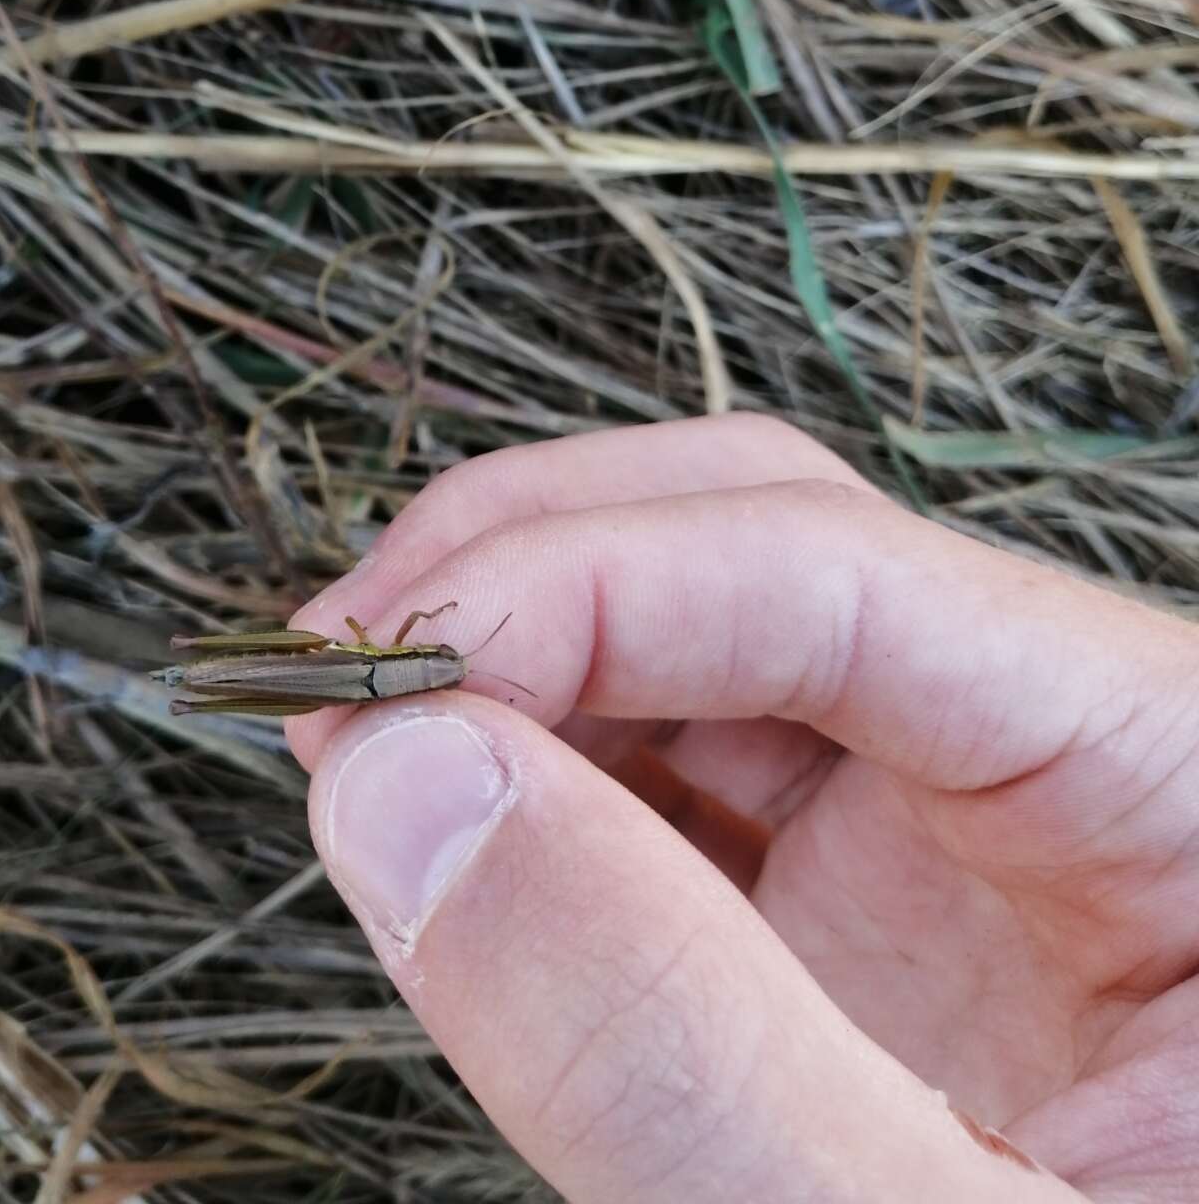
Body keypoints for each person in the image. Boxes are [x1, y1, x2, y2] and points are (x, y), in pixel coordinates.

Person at [286, 415, 1199, 1202]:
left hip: (356, 676)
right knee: (275, 673)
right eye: (441, 665)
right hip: (338, 670)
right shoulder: (386, 652)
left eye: (448, 668)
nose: (450, 672)